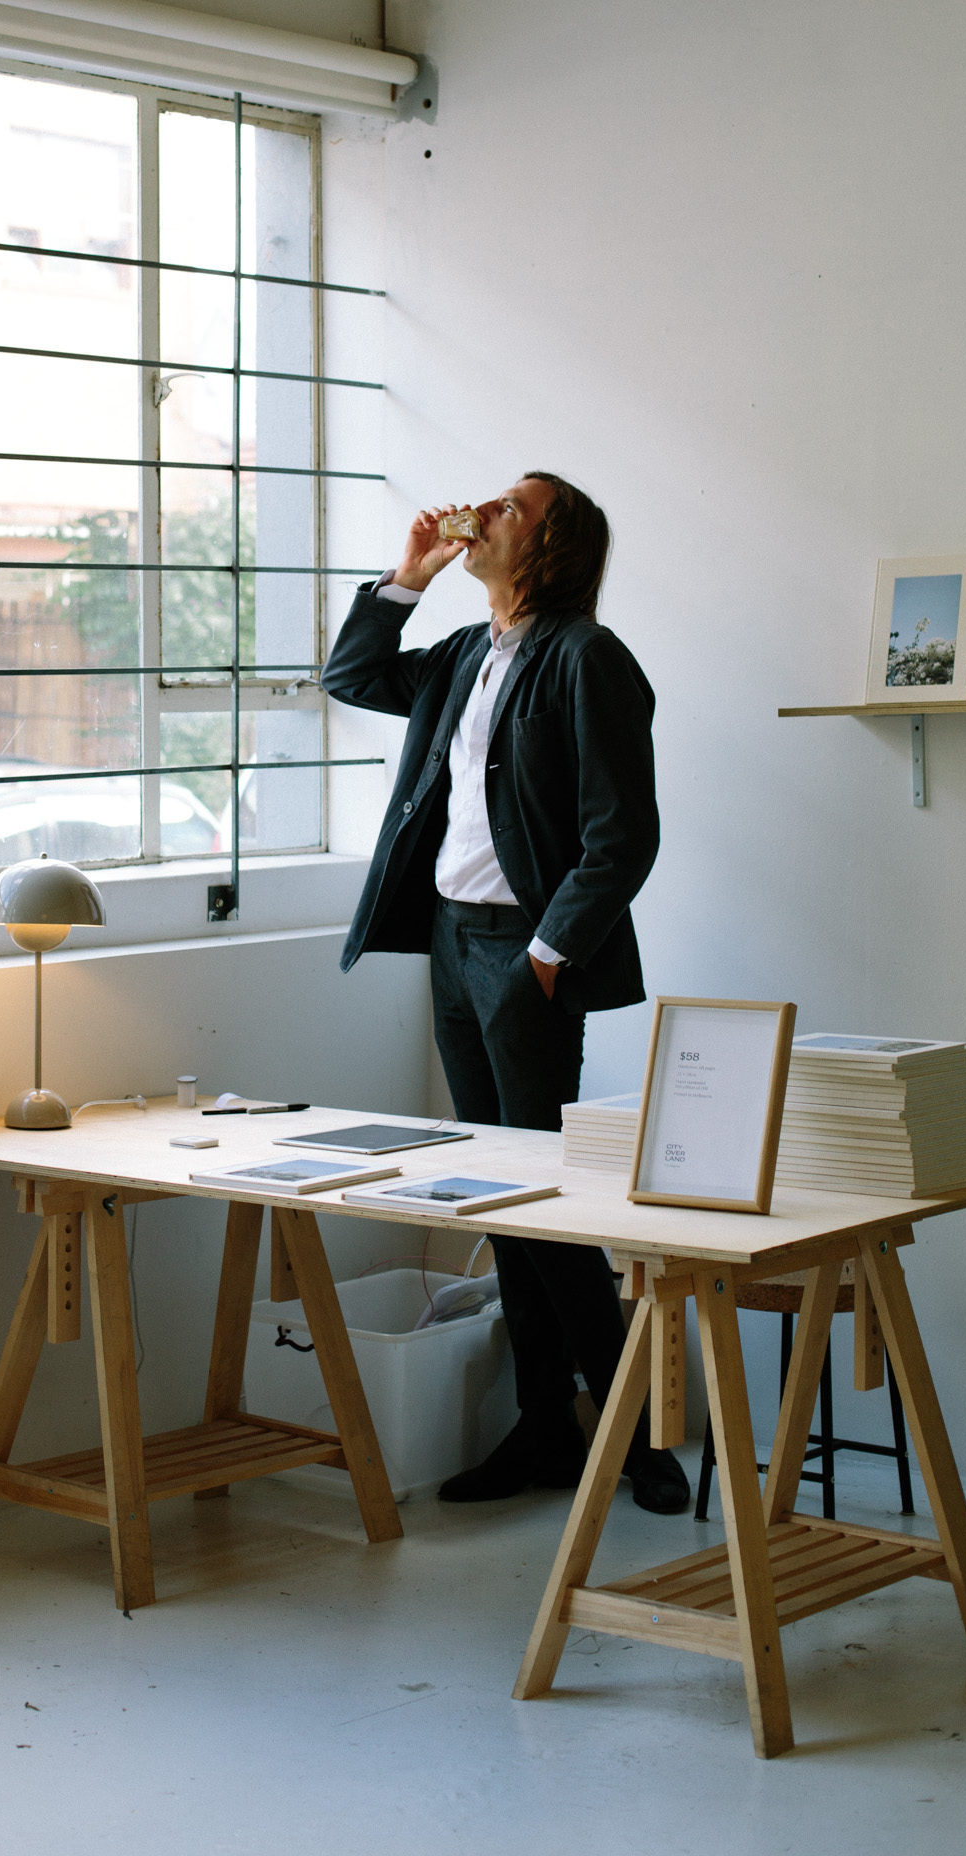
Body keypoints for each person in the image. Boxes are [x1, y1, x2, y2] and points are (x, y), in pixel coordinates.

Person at [322, 473, 689, 1514]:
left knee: (542, 1199)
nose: (483, 512)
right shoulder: (461, 655)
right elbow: (352, 675)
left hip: (524, 954)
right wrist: (407, 576)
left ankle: (636, 1434)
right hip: (451, 943)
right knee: (498, 1193)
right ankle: (542, 1425)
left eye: (512, 508)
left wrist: (547, 955)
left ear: (551, 547)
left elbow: (624, 835)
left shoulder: (586, 658)